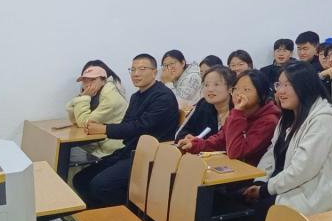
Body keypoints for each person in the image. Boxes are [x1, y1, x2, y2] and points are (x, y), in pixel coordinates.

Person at [73, 54, 179, 208]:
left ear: (155, 72)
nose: (136, 74)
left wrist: (104, 129)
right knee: (80, 179)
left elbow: (141, 126)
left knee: (100, 185)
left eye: (142, 69)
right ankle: (99, 217)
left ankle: (132, 213)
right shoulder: (136, 97)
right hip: (130, 151)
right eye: (133, 70)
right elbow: (127, 125)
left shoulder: (163, 96)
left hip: (151, 156)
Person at [246, 61, 332, 214]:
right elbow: (271, 153)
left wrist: (265, 190)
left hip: (308, 199)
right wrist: (261, 181)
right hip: (284, 189)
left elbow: (302, 171)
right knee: (231, 197)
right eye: (279, 85)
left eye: (287, 85)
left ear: (305, 86)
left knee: (245, 213)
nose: (280, 91)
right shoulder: (289, 115)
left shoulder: (323, 120)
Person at [179, 69, 281, 167]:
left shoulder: (269, 121)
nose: (239, 93)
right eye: (236, 89)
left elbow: (235, 152)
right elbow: (220, 140)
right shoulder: (238, 112)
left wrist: (237, 112)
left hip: (253, 174)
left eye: (246, 89)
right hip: (234, 168)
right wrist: (195, 145)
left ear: (261, 94)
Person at [65, 64, 127, 160]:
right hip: (98, 143)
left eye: (93, 79)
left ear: (103, 80)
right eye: (85, 80)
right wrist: (81, 97)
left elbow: (84, 123)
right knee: (66, 154)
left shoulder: (110, 97)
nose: (88, 84)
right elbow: (74, 120)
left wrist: (84, 97)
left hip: (113, 149)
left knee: (69, 156)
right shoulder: (95, 94)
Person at [175, 65, 234, 143]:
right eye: (206, 85)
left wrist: (202, 144)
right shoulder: (202, 104)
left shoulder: (238, 109)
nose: (210, 89)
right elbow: (180, 134)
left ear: (230, 88)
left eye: (216, 84)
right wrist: (187, 138)